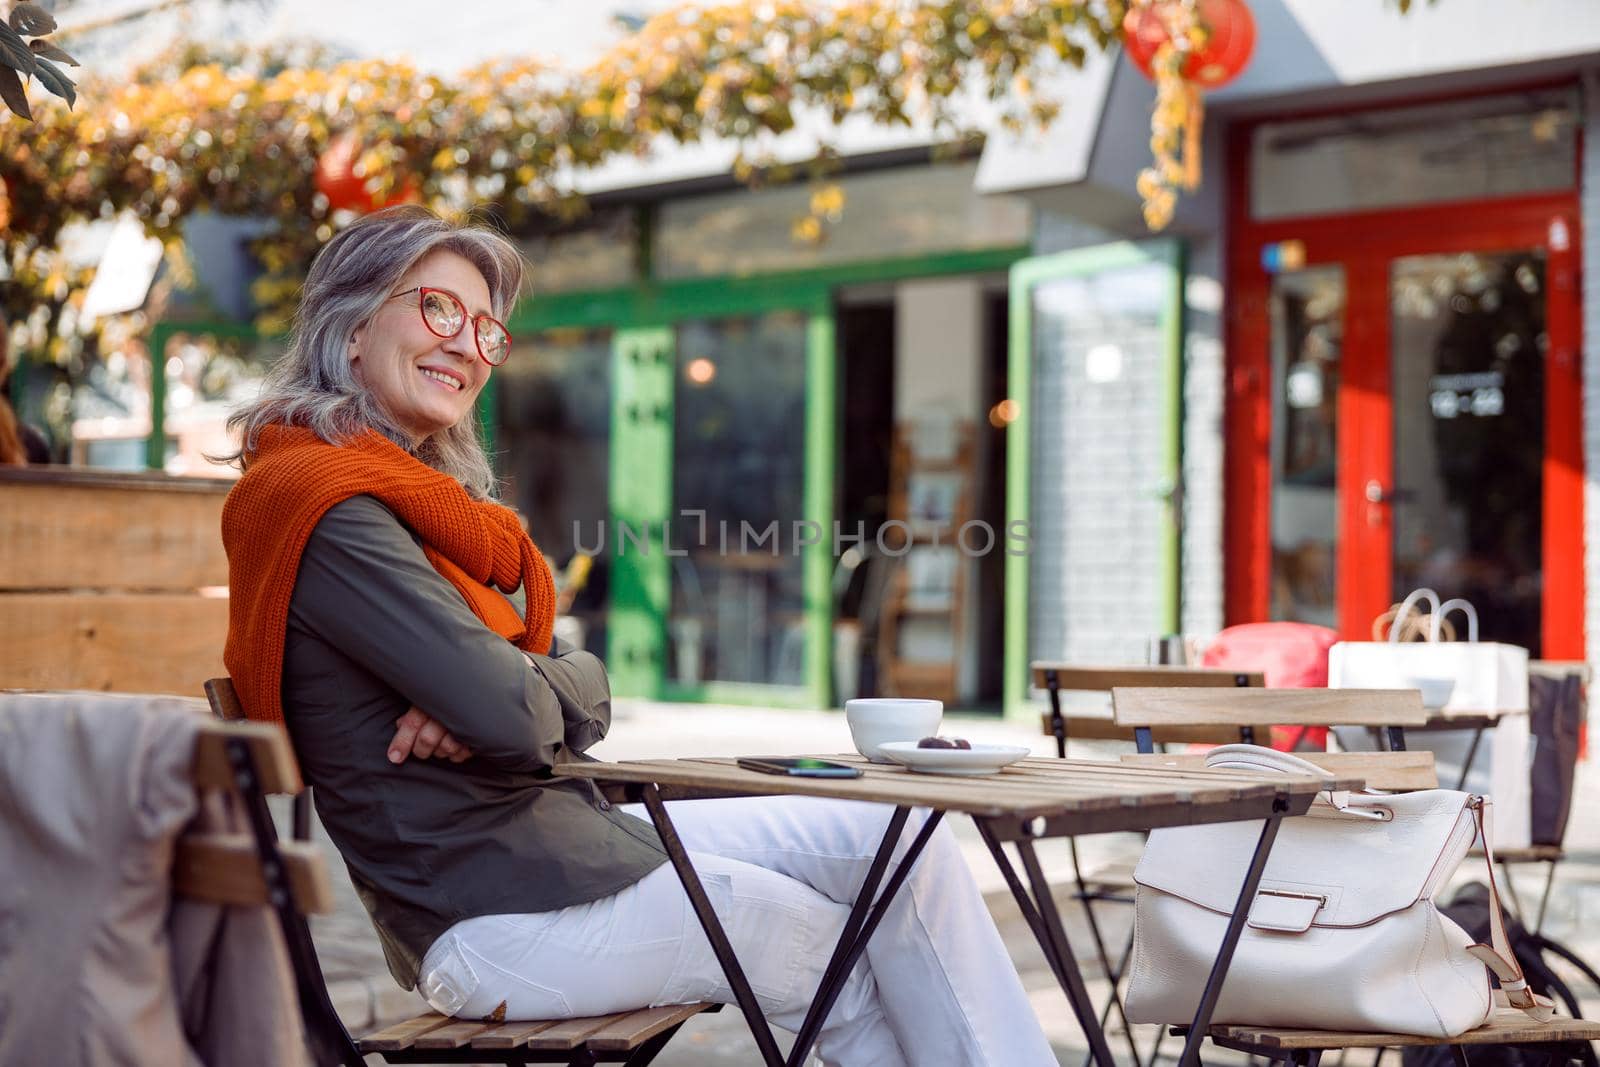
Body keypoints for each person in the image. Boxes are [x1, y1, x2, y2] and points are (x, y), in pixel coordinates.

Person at [218, 206, 1054, 1066]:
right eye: (437, 308)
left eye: (485, 327)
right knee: (834, 946)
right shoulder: (327, 507)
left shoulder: (414, 507)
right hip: (502, 914)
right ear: (352, 326)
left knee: (900, 839)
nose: (468, 345)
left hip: (567, 851)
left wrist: (519, 680)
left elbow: (526, 689)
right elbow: (510, 712)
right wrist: (514, 685)